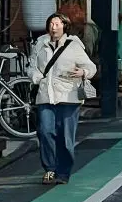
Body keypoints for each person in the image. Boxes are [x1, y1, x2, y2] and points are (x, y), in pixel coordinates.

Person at [28, 13, 97, 185]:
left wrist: (83, 73)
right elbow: (31, 67)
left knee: (65, 138)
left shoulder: (74, 45)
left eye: (57, 24)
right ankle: (50, 169)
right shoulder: (40, 44)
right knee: (45, 132)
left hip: (69, 96)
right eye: (51, 23)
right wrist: (37, 78)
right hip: (46, 95)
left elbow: (91, 67)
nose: (53, 27)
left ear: (64, 26)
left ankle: (63, 172)